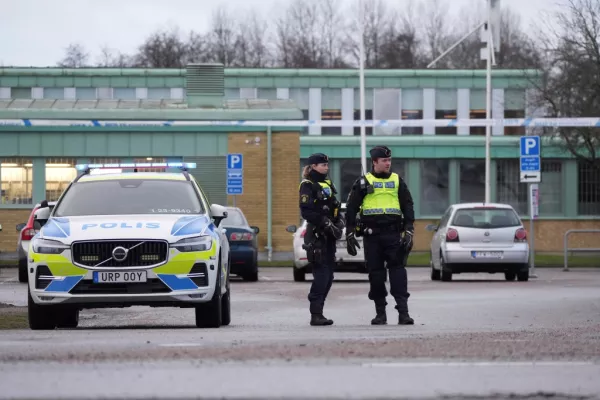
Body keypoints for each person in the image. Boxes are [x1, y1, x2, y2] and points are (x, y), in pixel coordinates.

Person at [344, 145, 416, 325]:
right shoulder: (362, 182)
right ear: (374, 162)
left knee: (398, 273)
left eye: (389, 160)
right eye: (384, 161)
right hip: (372, 236)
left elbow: (408, 205)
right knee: (376, 275)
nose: (388, 164)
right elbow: (351, 209)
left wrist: (408, 229)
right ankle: (380, 313)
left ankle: (403, 313)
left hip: (393, 234)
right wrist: (350, 233)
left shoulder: (397, 180)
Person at [299, 153, 344, 326]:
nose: (326, 167)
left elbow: (333, 206)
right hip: (317, 235)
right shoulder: (307, 185)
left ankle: (320, 312)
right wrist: (324, 222)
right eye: (322, 165)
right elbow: (306, 211)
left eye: (327, 164)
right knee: (321, 275)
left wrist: (338, 219)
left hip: (329, 236)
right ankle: (315, 313)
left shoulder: (328, 184)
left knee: (329, 276)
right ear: (313, 167)